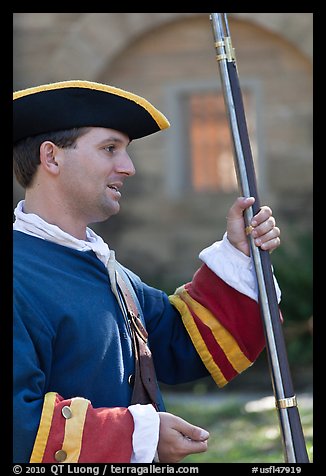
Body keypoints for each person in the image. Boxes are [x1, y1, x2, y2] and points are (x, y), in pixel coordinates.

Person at [13, 80, 281, 464]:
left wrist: (240, 253)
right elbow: (19, 425)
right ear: (52, 158)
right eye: (109, 149)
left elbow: (181, 342)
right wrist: (141, 435)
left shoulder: (108, 269)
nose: (128, 168)